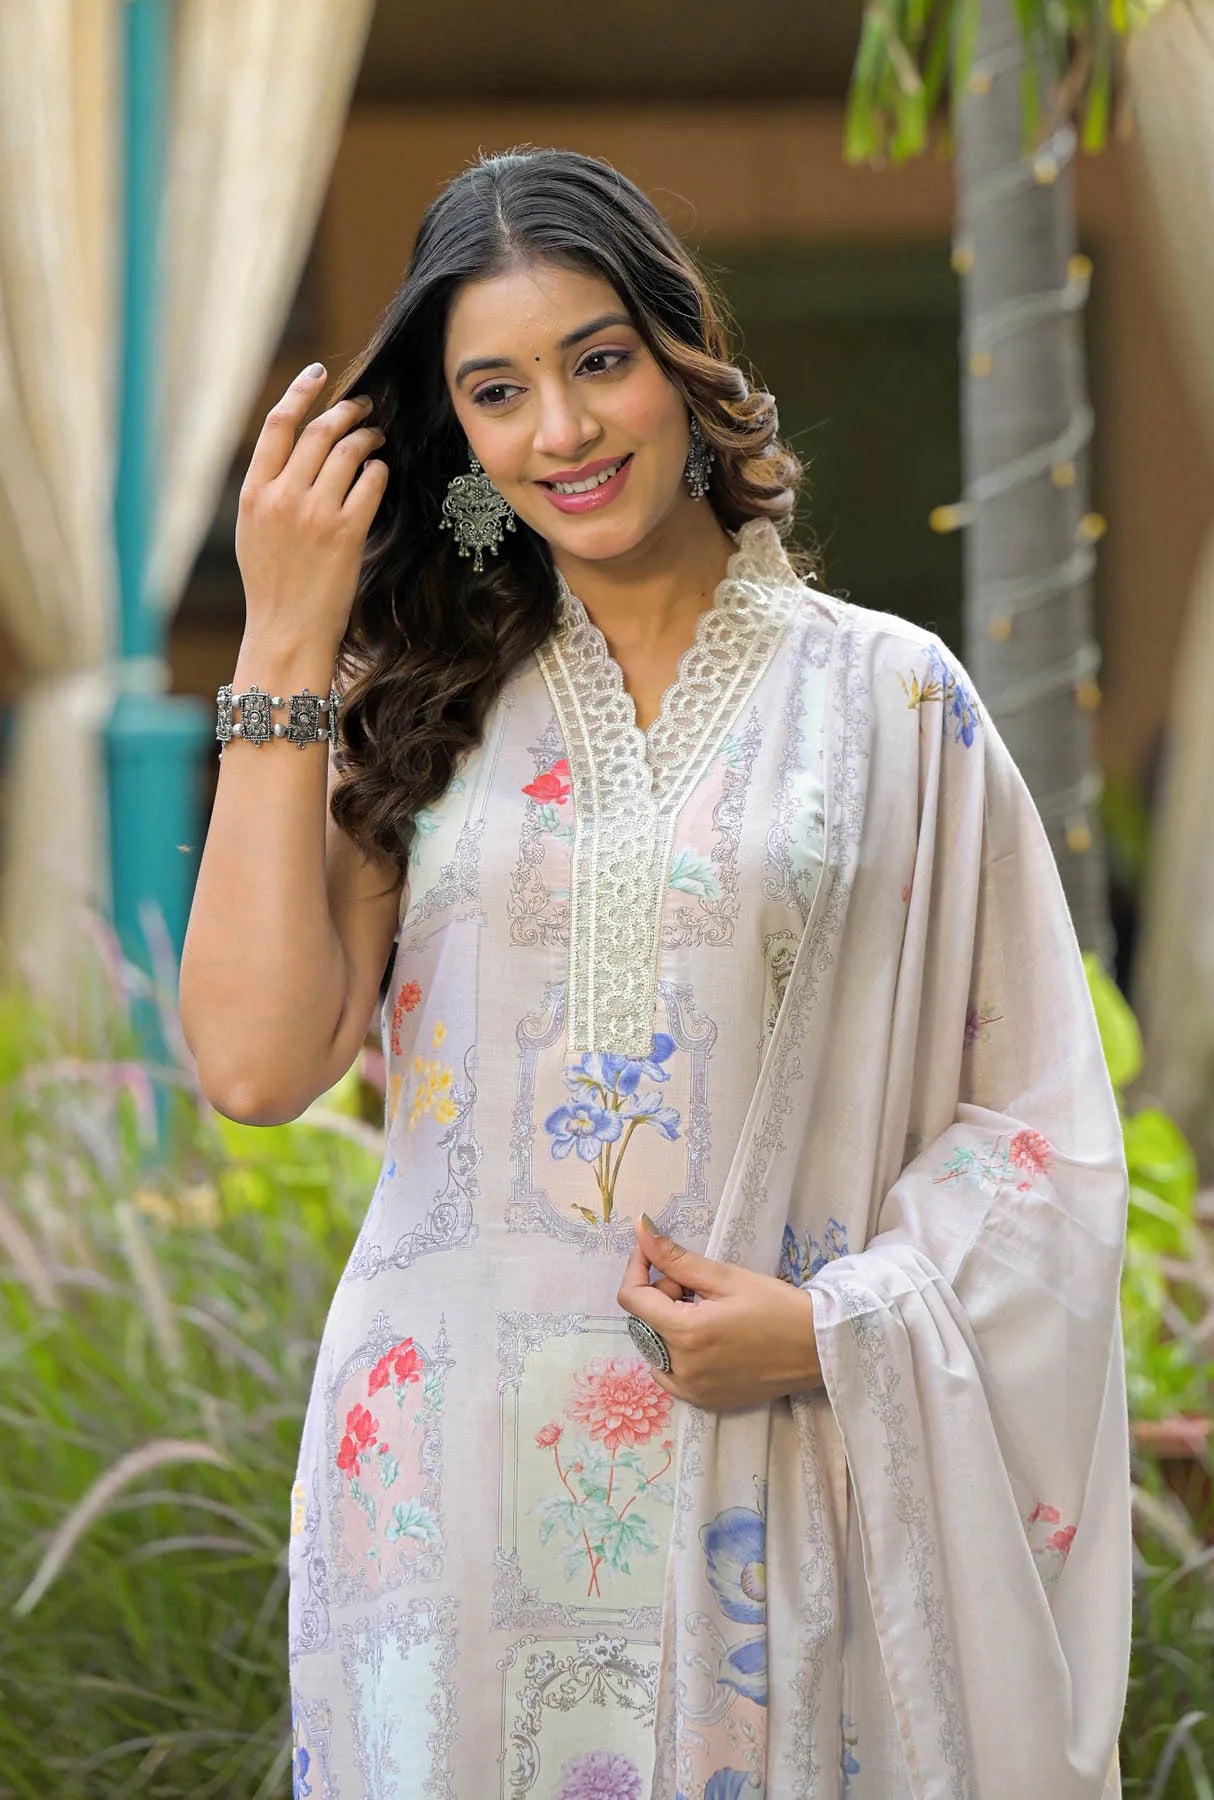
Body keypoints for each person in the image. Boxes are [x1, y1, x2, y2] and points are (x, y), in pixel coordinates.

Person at [178, 147, 1132, 1799]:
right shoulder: (414, 704)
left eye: (599, 360)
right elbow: (257, 1067)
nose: (560, 430)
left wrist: (834, 1330)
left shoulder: (893, 703)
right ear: (457, 437)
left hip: (766, 1488)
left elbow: (1039, 1133)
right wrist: (283, 642)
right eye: (496, 392)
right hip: (440, 1511)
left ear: (683, 359)